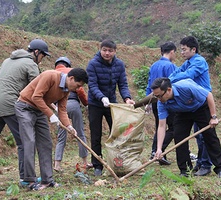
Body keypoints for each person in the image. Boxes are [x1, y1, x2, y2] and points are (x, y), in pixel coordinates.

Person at [0, 39, 50, 190]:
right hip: (11, 103)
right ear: (37, 52)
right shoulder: (30, 64)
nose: (42, 60)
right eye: (43, 56)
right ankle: (26, 178)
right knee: (25, 141)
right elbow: (37, 88)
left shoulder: (7, 60)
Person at [15, 68, 88, 190]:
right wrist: (51, 115)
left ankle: (47, 180)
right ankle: (30, 181)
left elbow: (62, 110)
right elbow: (36, 97)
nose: (77, 89)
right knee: (30, 141)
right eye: (77, 85)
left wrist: (69, 126)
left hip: (39, 110)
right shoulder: (50, 76)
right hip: (25, 107)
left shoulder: (66, 90)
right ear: (71, 78)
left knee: (46, 143)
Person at [151, 77, 221, 179]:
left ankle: (220, 169)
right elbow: (161, 125)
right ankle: (185, 171)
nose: (159, 99)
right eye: (156, 97)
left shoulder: (186, 87)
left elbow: (209, 95)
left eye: (160, 96)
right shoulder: (161, 103)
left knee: (210, 136)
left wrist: (213, 117)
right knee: (179, 139)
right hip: (182, 113)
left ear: (169, 90)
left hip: (200, 108)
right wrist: (159, 149)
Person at [86, 39, 135, 176]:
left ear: (115, 51)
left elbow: (123, 84)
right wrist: (101, 97)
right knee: (96, 134)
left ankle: (117, 162)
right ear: (100, 49)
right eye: (104, 50)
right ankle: (97, 165)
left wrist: (127, 98)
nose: (107, 53)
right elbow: (92, 85)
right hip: (95, 104)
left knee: (116, 133)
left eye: (110, 51)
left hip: (111, 104)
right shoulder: (93, 64)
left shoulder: (119, 65)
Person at [169, 36, 213, 176]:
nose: (182, 53)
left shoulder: (199, 61)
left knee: (204, 135)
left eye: (184, 50)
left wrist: (170, 82)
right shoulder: (188, 62)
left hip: (203, 100)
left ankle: (206, 165)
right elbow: (177, 72)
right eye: (181, 50)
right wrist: (166, 81)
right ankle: (199, 163)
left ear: (193, 49)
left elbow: (188, 75)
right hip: (192, 102)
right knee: (197, 135)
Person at [53, 57, 91, 172]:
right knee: (79, 133)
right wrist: (85, 103)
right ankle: (85, 162)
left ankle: (57, 164)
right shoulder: (71, 73)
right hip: (73, 104)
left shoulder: (55, 73)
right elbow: (79, 90)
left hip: (59, 106)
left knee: (61, 136)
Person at [145, 42, 177, 165]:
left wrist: (148, 102)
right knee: (174, 127)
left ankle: (157, 152)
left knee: (160, 126)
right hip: (166, 101)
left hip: (154, 100)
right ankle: (158, 150)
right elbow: (173, 85)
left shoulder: (154, 65)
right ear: (172, 52)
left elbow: (150, 84)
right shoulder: (170, 66)